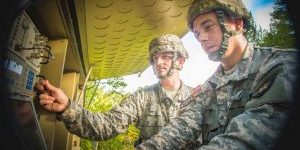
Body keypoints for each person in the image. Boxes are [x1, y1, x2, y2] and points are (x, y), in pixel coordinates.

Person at [136, 0, 298, 149]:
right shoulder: (207, 89)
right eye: (197, 33)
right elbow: (181, 127)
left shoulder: (279, 65)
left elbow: (254, 135)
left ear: (237, 23)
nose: (202, 38)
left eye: (208, 27)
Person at [35, 34, 195, 145]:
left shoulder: (198, 98)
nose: (158, 62)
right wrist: (67, 107)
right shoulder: (141, 97)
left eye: (166, 56)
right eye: (154, 58)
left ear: (180, 62)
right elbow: (106, 125)